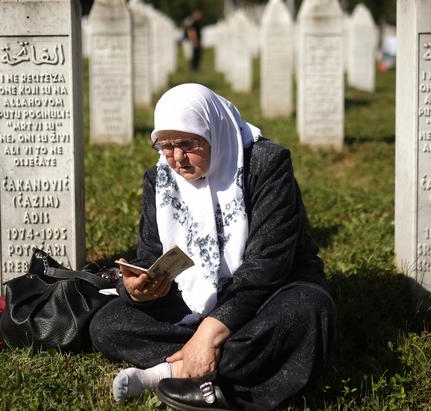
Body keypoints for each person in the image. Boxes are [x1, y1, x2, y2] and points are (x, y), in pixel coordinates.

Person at [89, 83, 335, 411]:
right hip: (192, 298)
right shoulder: (160, 180)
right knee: (106, 325)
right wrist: (138, 288)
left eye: (188, 144)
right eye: (165, 146)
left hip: (269, 293)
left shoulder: (266, 165)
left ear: (213, 130)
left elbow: (269, 263)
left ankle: (173, 369)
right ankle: (223, 362)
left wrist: (211, 332)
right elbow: (151, 252)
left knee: (307, 311)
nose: (177, 158)